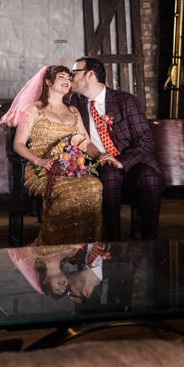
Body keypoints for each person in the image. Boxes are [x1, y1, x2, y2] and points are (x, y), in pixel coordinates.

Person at [0, 65, 103, 246]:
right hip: (40, 170)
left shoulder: (74, 111)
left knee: (94, 185)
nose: (67, 81)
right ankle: (50, 247)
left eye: (70, 79)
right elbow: (18, 144)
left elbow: (85, 143)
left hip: (70, 169)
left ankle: (83, 246)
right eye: (61, 77)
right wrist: (39, 160)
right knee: (69, 191)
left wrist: (102, 156)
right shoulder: (33, 109)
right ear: (48, 82)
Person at [68, 57, 162, 241]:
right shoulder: (75, 104)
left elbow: (145, 140)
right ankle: (112, 241)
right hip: (102, 163)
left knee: (149, 177)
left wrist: (122, 161)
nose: (71, 78)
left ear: (91, 75)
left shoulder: (125, 101)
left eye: (75, 73)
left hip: (135, 162)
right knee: (109, 173)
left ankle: (150, 240)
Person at [7, 244, 82, 299]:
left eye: (58, 290)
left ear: (45, 281)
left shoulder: (35, 256)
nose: (63, 287)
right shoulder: (71, 254)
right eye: (66, 288)